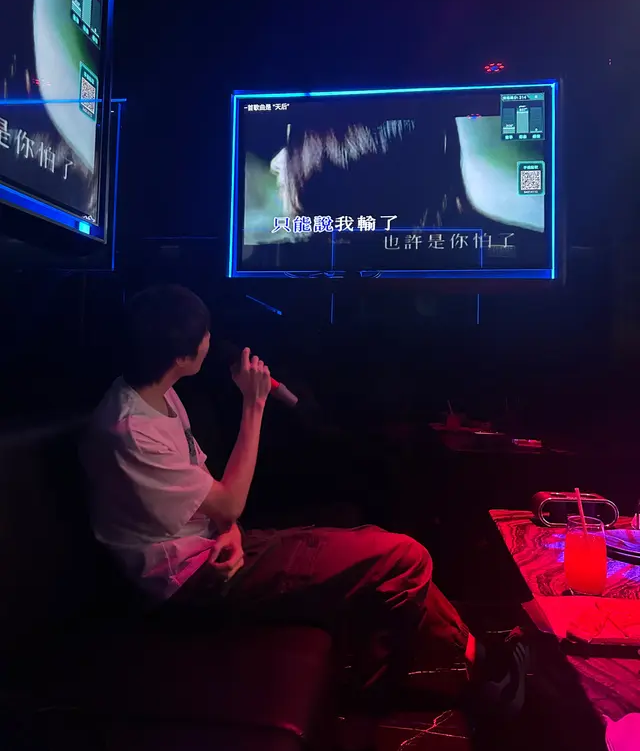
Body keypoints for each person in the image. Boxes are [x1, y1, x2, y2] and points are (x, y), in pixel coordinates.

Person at [81, 284, 528, 744]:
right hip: (190, 584)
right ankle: (442, 680)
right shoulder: (130, 430)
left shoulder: (159, 396)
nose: (212, 341)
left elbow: (206, 500)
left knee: (383, 549)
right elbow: (228, 502)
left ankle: (465, 663)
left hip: (211, 549)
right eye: (205, 335)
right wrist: (254, 404)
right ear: (183, 355)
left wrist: (228, 529)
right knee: (404, 556)